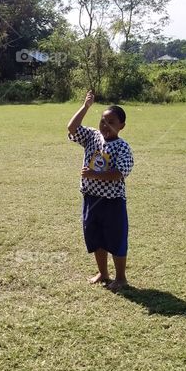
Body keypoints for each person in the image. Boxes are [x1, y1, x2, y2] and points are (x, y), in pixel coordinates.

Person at [67, 90, 134, 292]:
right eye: (103, 121)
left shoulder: (123, 147)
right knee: (96, 237)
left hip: (112, 201)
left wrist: (93, 174)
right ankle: (103, 273)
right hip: (91, 198)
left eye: (111, 122)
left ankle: (121, 278)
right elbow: (72, 128)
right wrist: (86, 106)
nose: (106, 126)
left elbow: (120, 173)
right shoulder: (92, 137)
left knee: (116, 237)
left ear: (121, 126)